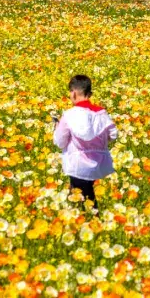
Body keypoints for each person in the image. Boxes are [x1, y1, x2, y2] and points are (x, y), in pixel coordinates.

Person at [52, 75, 117, 208]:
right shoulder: (101, 114)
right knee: (86, 194)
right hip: (99, 164)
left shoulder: (69, 115)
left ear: (74, 93)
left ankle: (92, 222)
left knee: (83, 200)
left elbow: (60, 142)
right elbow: (112, 135)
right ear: (90, 93)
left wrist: (57, 128)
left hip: (77, 165)